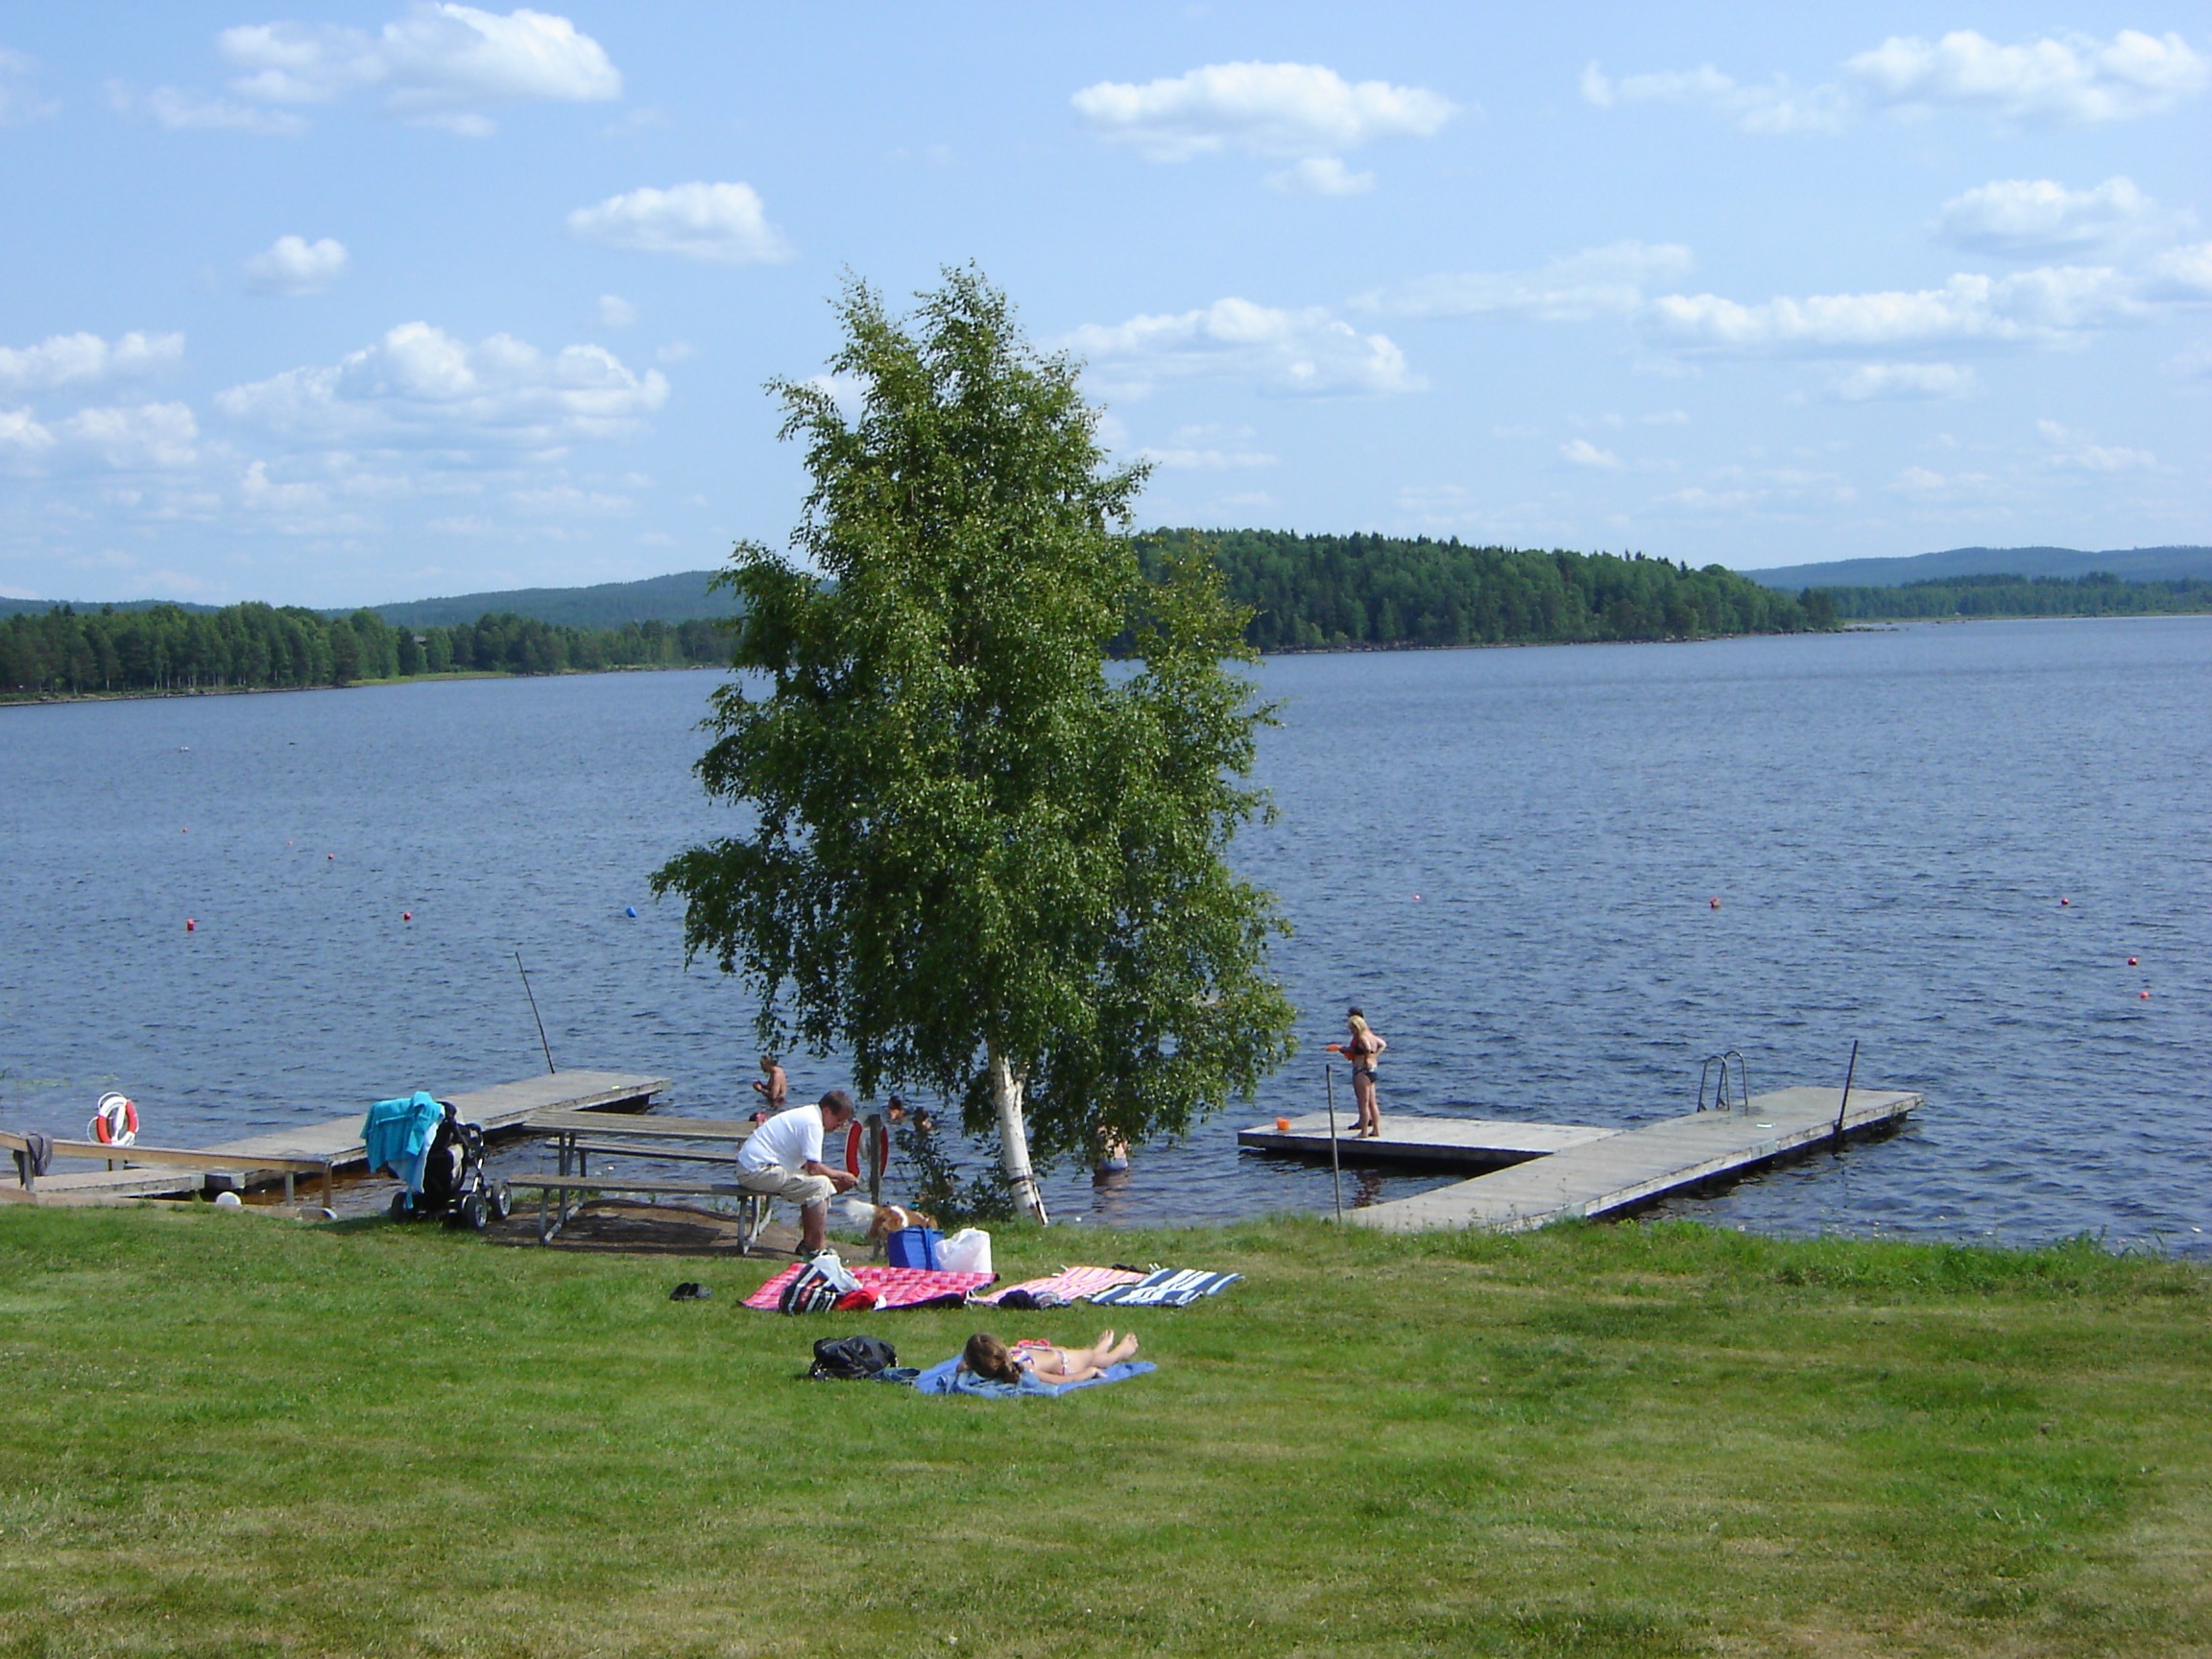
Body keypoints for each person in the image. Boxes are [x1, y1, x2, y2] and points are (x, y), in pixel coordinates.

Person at [735, 1088, 859, 1254]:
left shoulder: (808, 1115)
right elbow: (814, 1168)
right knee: (820, 1184)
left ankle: (809, 1243)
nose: (840, 1126)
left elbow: (807, 1168)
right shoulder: (813, 1123)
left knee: (815, 1184)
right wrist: (842, 1176)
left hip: (752, 1168)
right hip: (757, 1171)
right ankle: (818, 1247)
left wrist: (835, 1180)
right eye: (838, 1120)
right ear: (827, 1111)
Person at [960, 1330, 1140, 1386]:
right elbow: (1060, 1379)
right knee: (1092, 1358)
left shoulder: (1015, 1367)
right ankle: (1115, 1352)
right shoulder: (1019, 1366)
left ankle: (1109, 1350)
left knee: (1093, 1357)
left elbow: (1057, 1381)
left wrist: (1089, 1373)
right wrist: (1088, 1373)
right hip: (1065, 1362)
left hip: (1059, 1358)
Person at [1343, 1008, 1386, 1139]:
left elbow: (1366, 1048)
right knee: (1372, 1102)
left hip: (1362, 1071)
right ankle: (1376, 1130)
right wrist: (1374, 1057)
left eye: (1352, 1028)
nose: (1351, 1031)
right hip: (1372, 1070)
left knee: (1363, 1103)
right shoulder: (1370, 1034)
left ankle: (1364, 1132)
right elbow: (1382, 1044)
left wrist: (1368, 1057)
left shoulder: (1362, 1037)